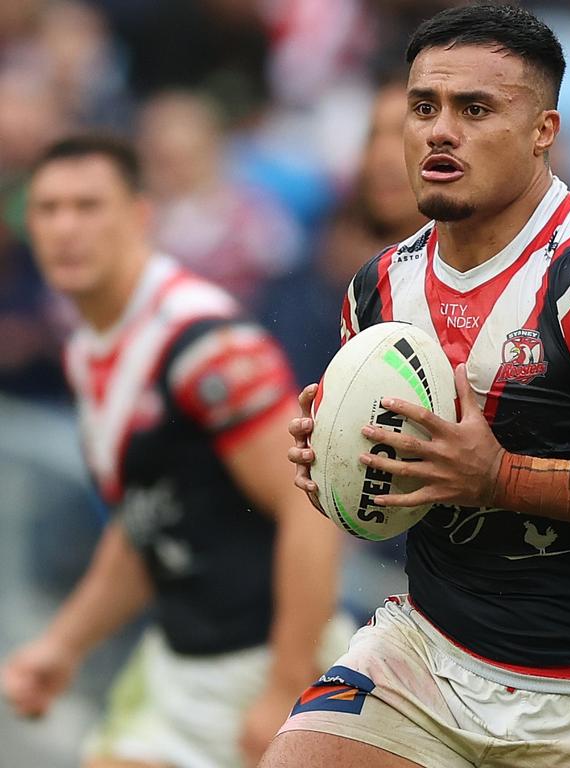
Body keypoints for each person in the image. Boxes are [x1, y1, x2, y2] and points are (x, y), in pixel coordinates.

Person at [265, 5, 570, 768]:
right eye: (423, 106)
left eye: (475, 109)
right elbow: (402, 493)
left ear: (543, 131)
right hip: (431, 656)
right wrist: (339, 463)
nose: (438, 130)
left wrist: (500, 477)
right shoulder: (378, 289)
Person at [0, 134, 348, 768]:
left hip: (261, 659)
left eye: (88, 206)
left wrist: (284, 686)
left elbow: (312, 508)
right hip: (181, 658)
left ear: (139, 216)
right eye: (48, 209)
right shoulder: (88, 351)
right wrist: (63, 645)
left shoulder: (204, 349)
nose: (65, 228)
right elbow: (147, 524)